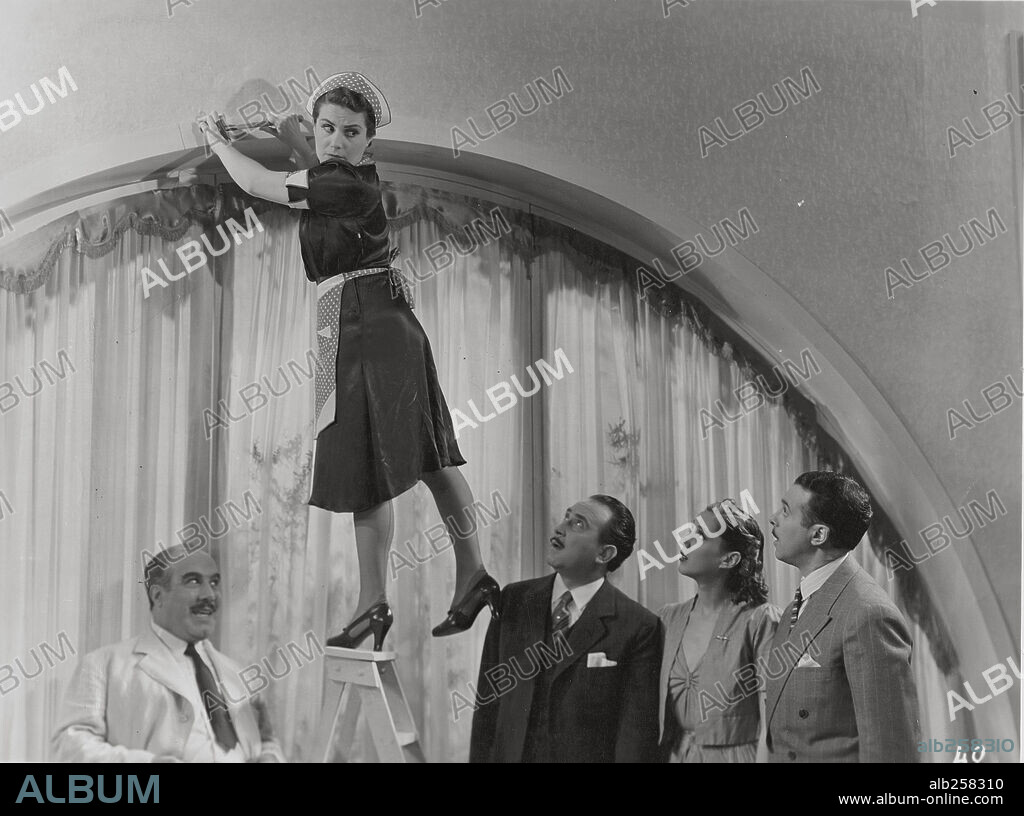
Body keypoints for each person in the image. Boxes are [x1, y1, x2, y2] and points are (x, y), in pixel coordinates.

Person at [196, 72, 500, 649]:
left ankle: (380, 602)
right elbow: (308, 167)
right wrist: (294, 138)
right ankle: (464, 578)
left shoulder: (343, 182)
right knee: (420, 458)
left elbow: (261, 184)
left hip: (366, 321)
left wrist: (216, 141)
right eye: (327, 128)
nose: (336, 140)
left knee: (380, 464)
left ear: (369, 142)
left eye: (350, 131)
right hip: (371, 317)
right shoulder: (343, 179)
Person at [469, 495, 662, 763]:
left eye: (579, 524)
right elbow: (487, 708)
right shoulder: (513, 600)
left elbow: (634, 737)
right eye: (566, 517)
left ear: (604, 554)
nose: (560, 528)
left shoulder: (639, 626)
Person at [53, 546, 285, 763]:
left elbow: (266, 741)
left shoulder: (238, 673)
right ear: (157, 595)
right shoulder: (104, 665)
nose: (209, 595)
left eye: (214, 583)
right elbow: (70, 746)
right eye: (193, 581)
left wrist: (270, 757)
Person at [765, 471, 921, 762]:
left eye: (785, 511)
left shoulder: (868, 613)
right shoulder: (793, 610)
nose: (773, 518)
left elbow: (891, 750)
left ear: (818, 534)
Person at [657, 498, 779, 762]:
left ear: (729, 558)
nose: (685, 540)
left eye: (700, 535)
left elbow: (772, 719)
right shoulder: (668, 617)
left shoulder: (759, 620)